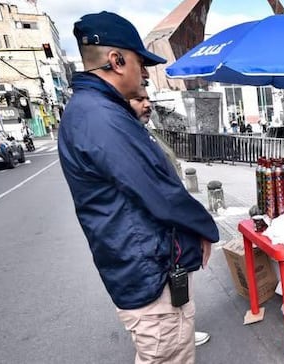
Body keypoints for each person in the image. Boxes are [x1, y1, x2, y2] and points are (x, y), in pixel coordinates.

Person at [58, 11, 219, 363]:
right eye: (140, 63)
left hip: (143, 261)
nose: (145, 73)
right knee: (169, 353)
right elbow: (159, 192)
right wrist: (205, 227)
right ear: (116, 61)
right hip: (147, 269)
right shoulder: (101, 117)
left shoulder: (95, 110)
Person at [129, 86, 210, 348]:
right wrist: (202, 226)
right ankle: (178, 334)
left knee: (181, 282)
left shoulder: (147, 133)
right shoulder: (129, 138)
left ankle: (183, 330)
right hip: (163, 229)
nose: (147, 104)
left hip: (175, 224)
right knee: (171, 286)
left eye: (147, 98)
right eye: (139, 99)